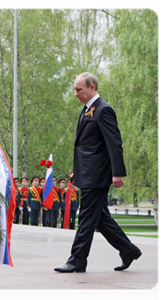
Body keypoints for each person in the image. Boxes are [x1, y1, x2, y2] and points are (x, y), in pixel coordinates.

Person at [54, 72, 141, 273]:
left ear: (92, 87)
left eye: (79, 89)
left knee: (85, 217)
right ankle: (128, 250)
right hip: (88, 173)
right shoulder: (86, 111)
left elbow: (114, 143)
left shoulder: (103, 110)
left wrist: (117, 172)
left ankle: (77, 260)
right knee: (99, 218)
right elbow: (85, 147)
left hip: (98, 175)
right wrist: (77, 172)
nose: (75, 93)